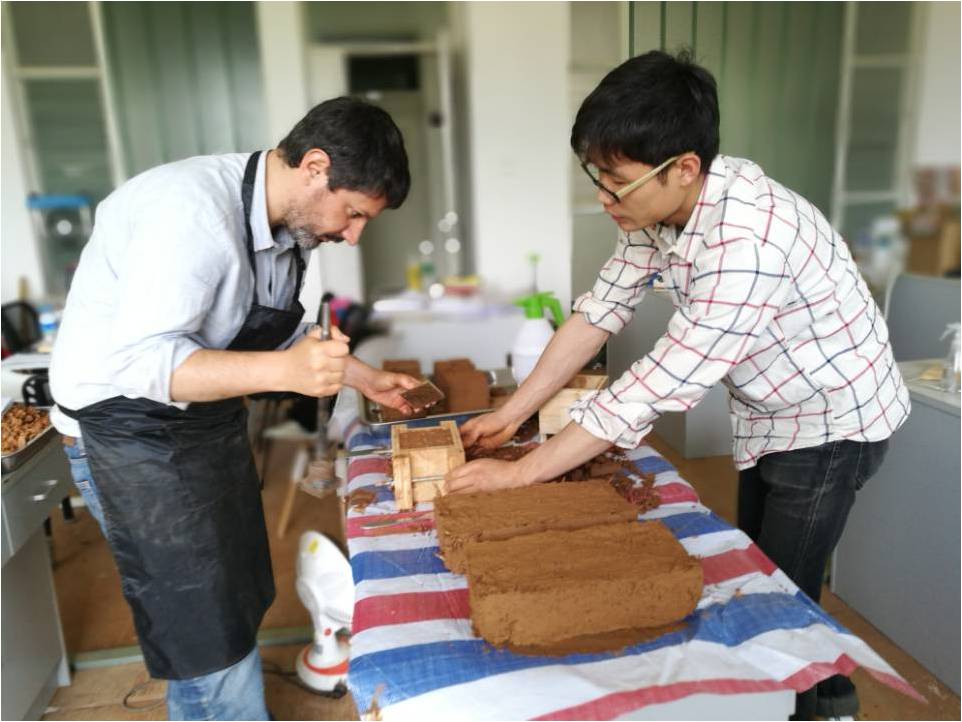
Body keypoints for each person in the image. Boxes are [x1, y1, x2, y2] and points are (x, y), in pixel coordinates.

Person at [447, 50, 910, 720]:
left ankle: (820, 707)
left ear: (684, 167)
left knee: (781, 592)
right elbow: (598, 314)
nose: (604, 198)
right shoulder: (661, 212)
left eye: (616, 182)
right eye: (597, 177)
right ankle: (812, 695)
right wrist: (513, 413)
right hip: (772, 413)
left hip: (832, 421)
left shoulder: (747, 240)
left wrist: (521, 475)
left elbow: (657, 382)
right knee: (761, 569)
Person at [49, 97, 420, 720]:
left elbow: (271, 329)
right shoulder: (187, 213)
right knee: (199, 626)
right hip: (128, 431)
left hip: (203, 419)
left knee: (232, 595)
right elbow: (142, 365)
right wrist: (287, 373)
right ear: (315, 167)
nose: (352, 234)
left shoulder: (292, 228)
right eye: (354, 213)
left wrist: (365, 377)